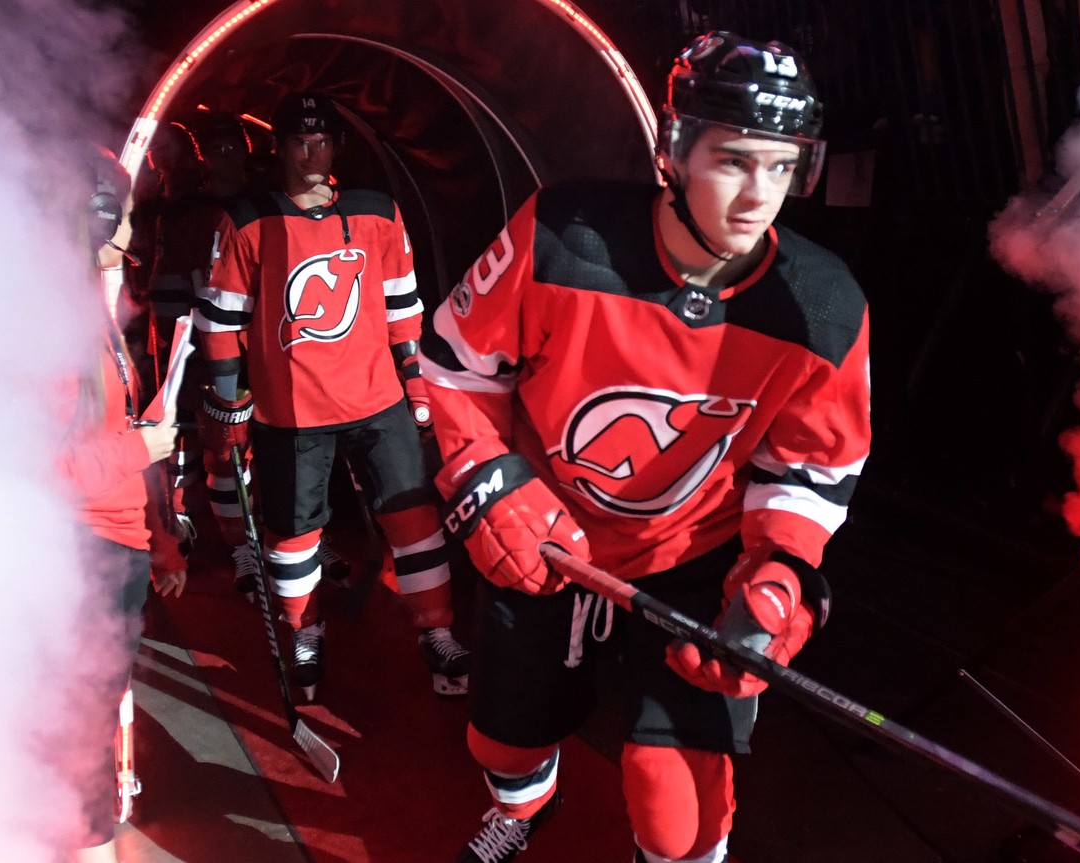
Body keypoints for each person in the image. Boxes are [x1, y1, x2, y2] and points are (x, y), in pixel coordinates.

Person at [420, 32, 871, 863]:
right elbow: (454, 363)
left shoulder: (822, 304)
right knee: (505, 744)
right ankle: (523, 806)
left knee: (681, 805)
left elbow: (811, 467)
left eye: (782, 167)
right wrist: (489, 478)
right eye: (734, 160)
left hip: (694, 555)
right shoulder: (563, 234)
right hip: (548, 533)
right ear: (675, 149)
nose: (756, 198)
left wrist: (779, 576)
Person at [193, 92, 470, 700]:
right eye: (298, 140)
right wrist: (227, 397)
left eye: (321, 140)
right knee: (295, 534)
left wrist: (416, 384)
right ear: (279, 147)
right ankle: (305, 630)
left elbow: (403, 307)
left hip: (377, 400)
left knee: (414, 516)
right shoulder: (247, 219)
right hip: (291, 413)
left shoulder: (376, 211)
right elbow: (219, 319)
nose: (310, 151)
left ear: (337, 146)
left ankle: (436, 630)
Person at [59, 152, 183, 863]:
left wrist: (161, 541)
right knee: (81, 717)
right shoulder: (56, 330)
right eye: (126, 215)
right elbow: (40, 475)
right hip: (84, 551)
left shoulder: (91, 311)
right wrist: (143, 448)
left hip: (120, 545)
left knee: (94, 710)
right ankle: (88, 843)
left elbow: (111, 429)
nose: (134, 234)